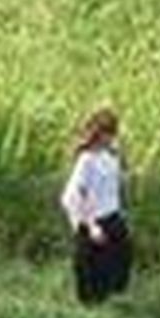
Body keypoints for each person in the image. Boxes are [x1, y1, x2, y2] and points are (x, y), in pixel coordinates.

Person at [60, 107, 132, 305]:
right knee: (92, 273)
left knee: (118, 265)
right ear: (100, 135)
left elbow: (118, 187)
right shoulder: (87, 160)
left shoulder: (112, 157)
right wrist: (91, 225)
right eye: (109, 133)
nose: (113, 138)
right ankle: (91, 308)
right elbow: (77, 194)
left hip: (112, 215)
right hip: (93, 219)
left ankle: (109, 303)